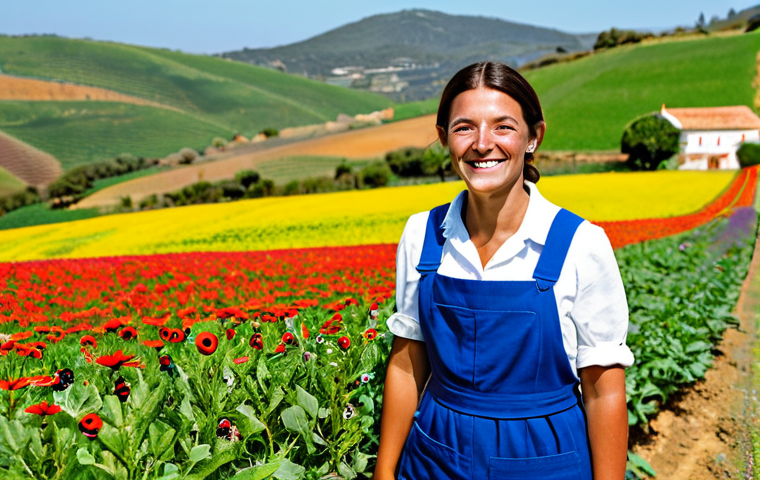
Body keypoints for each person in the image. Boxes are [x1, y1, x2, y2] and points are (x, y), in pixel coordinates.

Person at [375, 61, 633, 480]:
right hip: (435, 456)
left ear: (534, 137)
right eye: (464, 127)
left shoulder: (581, 244)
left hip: (545, 458)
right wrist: (384, 472)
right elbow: (407, 364)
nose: (482, 143)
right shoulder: (422, 234)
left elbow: (604, 391)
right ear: (444, 139)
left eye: (503, 127)